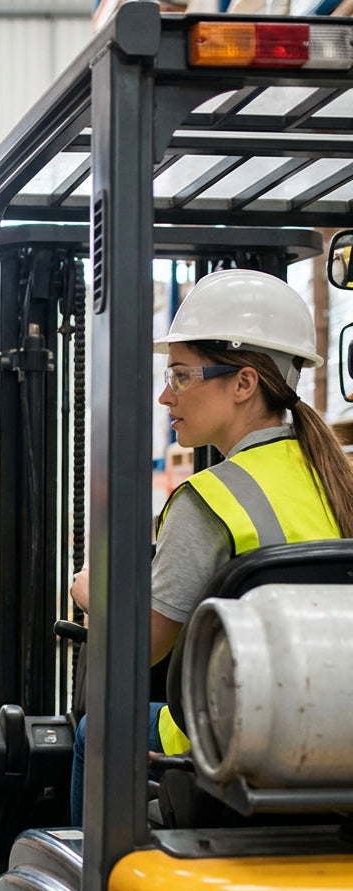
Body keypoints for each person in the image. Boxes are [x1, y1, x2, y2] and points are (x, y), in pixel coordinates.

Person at [68, 269, 353, 827]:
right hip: (337, 729)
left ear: (243, 383)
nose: (164, 394)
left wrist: (89, 595)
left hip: (243, 736)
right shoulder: (334, 478)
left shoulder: (211, 498)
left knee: (93, 726)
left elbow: (140, 647)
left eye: (181, 375)